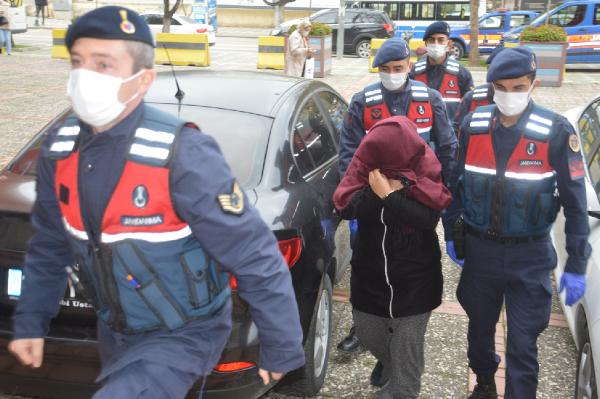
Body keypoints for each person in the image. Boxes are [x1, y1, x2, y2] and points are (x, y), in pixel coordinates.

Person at [7, 7, 305, 398]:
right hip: (116, 332)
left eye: (103, 64)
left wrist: (281, 347)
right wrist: (31, 322)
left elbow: (254, 254)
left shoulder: (184, 155)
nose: (84, 76)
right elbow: (50, 247)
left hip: (187, 332)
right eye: (78, 62)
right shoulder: (59, 153)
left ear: (141, 80)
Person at [449, 47, 592, 398]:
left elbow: (576, 206)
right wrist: (450, 230)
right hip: (481, 253)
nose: (509, 95)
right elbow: (452, 183)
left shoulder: (555, 132)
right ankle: (484, 383)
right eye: (502, 87)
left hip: (529, 257)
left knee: (523, 344)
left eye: (518, 87)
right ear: (491, 86)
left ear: (533, 85)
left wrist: (576, 262)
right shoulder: (473, 124)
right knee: (479, 330)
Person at [336, 36, 458, 387]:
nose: (392, 75)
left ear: (409, 65)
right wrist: (359, 195)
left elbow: (446, 150)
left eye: (398, 68)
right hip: (372, 199)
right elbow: (350, 156)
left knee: (408, 296)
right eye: (385, 70)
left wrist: (438, 197)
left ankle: (400, 366)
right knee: (372, 289)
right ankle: (386, 355)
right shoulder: (364, 101)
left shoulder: (429, 99)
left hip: (416, 200)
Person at [410, 21, 474, 122]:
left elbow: (470, 108)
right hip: (423, 132)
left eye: (440, 40)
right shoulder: (415, 72)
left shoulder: (461, 73)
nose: (436, 44)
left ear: (449, 43)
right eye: (431, 40)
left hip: (451, 133)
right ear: (426, 43)